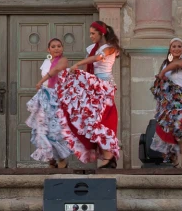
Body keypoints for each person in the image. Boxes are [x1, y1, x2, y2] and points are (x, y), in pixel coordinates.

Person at [56, 21, 121, 168]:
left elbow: (98, 58)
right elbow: (88, 68)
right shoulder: (92, 48)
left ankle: (109, 156)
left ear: (101, 33)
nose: (90, 36)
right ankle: (107, 156)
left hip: (104, 86)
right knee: (90, 119)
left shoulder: (110, 48)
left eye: (93, 33)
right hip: (93, 86)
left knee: (100, 120)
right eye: (90, 33)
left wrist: (78, 64)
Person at [26, 37, 72, 168]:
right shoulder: (46, 62)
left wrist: (41, 81)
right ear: (48, 49)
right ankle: (51, 160)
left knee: (56, 130)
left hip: (57, 97)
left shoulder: (63, 60)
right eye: (53, 46)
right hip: (45, 97)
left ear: (62, 48)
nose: (56, 48)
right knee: (42, 129)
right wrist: (42, 85)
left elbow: (56, 70)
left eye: (59, 46)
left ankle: (62, 161)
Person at [151, 37, 182, 168]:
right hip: (168, 100)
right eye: (174, 46)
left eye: (179, 46)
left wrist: (163, 72)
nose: (176, 49)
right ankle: (173, 157)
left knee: (178, 127)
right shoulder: (165, 64)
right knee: (165, 127)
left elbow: (176, 65)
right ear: (170, 49)